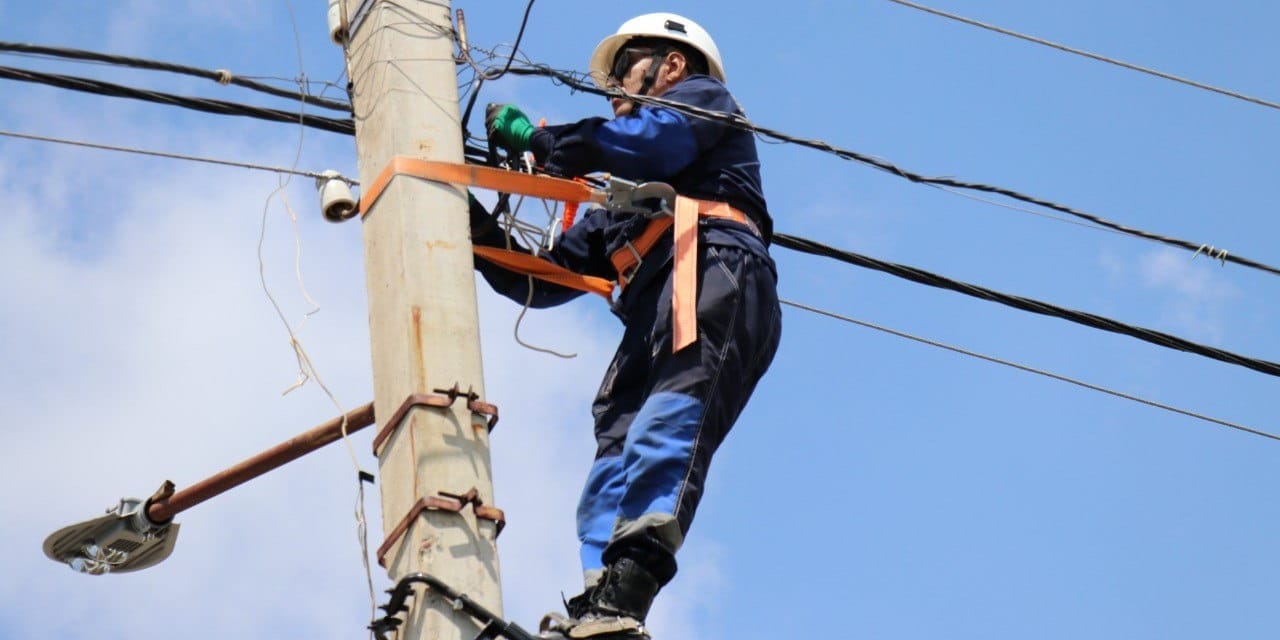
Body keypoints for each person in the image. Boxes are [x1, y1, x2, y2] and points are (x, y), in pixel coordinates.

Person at [476, 12, 781, 639]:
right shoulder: (622, 201)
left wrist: (550, 142)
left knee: (666, 421)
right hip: (657, 303)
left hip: (715, 268)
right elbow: (542, 278)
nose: (613, 89)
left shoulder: (702, 101)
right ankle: (599, 605)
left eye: (623, 71)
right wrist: (465, 218)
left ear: (671, 64)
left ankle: (629, 592)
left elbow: (654, 140)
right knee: (614, 445)